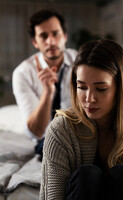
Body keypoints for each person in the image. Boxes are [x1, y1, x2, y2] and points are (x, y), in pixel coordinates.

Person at [40, 39, 123, 200]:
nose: (89, 98)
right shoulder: (61, 129)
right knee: (86, 175)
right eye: (81, 87)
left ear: (121, 88)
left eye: (101, 89)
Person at [12, 9, 77, 155]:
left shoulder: (81, 61)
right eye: (43, 36)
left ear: (65, 36)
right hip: (47, 141)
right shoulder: (22, 73)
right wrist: (48, 93)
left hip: (82, 136)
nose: (51, 41)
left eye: (56, 33)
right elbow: (36, 131)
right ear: (35, 42)